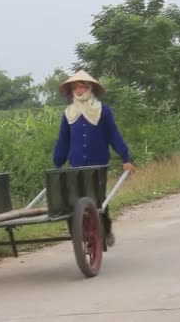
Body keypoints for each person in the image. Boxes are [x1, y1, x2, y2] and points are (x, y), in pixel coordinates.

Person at [53, 70, 134, 246]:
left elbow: (114, 135)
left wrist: (126, 158)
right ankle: (85, 231)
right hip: (77, 165)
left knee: (98, 199)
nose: (79, 90)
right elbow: (63, 140)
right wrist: (58, 162)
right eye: (75, 87)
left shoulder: (102, 111)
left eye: (82, 86)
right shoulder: (69, 113)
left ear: (90, 88)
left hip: (98, 164)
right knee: (77, 201)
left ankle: (105, 229)